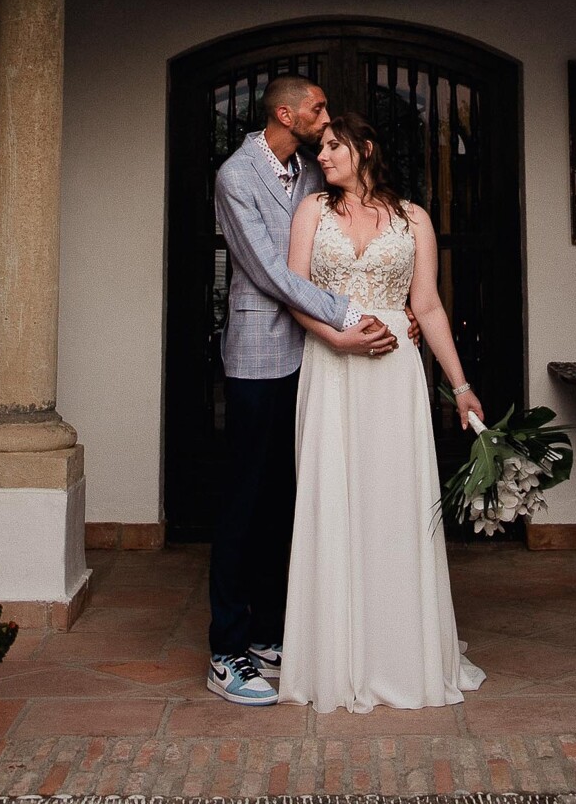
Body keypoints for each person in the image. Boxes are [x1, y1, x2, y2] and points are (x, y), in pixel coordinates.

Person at [279, 111, 487, 713]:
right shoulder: (311, 211)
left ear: (365, 148)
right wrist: (337, 337)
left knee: (394, 502)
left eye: (333, 146)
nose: (322, 156)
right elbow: (295, 290)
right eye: (320, 148)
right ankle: (334, 658)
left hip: (395, 373)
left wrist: (460, 385)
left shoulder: (413, 218)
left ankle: (400, 654)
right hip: (331, 363)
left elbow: (429, 305)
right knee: (332, 497)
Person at [207, 76, 401, 707]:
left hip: (313, 356)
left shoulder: (312, 172)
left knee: (286, 496)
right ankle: (225, 650)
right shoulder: (236, 176)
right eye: (318, 108)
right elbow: (268, 271)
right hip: (260, 354)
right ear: (287, 114)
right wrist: (348, 314)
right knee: (243, 498)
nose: (327, 116)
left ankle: (267, 632)